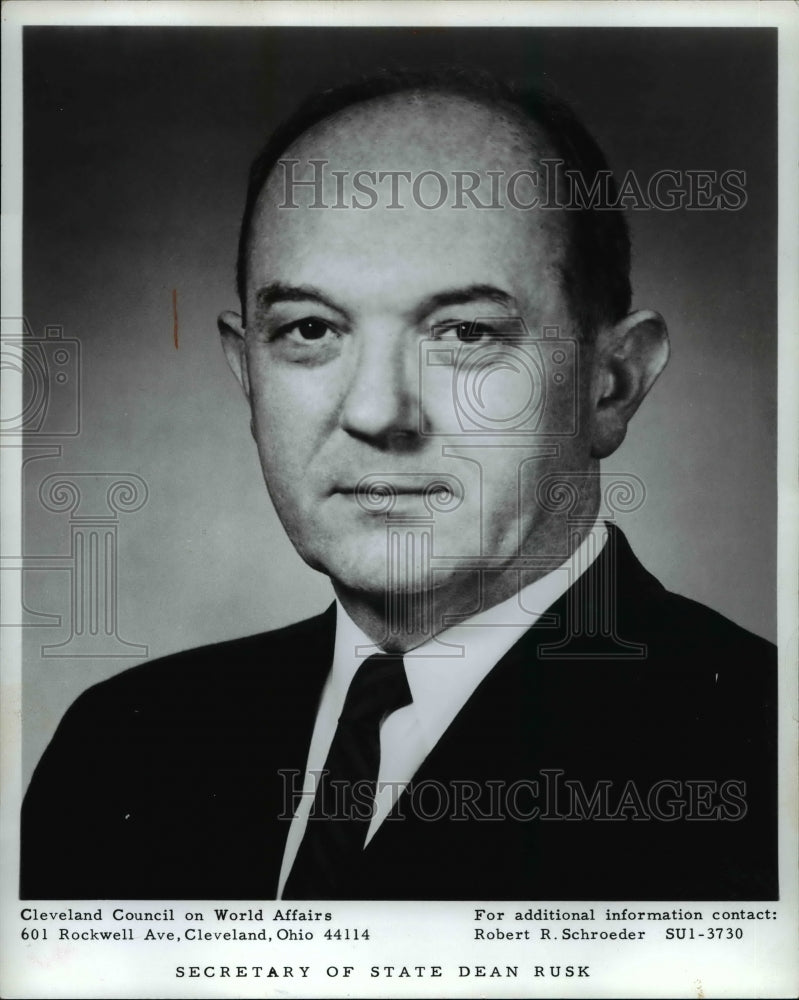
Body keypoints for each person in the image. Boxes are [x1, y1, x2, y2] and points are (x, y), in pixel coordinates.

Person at [21, 68, 776, 901]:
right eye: (310, 329)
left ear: (613, 381)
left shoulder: (762, 755)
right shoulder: (124, 747)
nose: (380, 412)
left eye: (464, 332)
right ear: (246, 372)